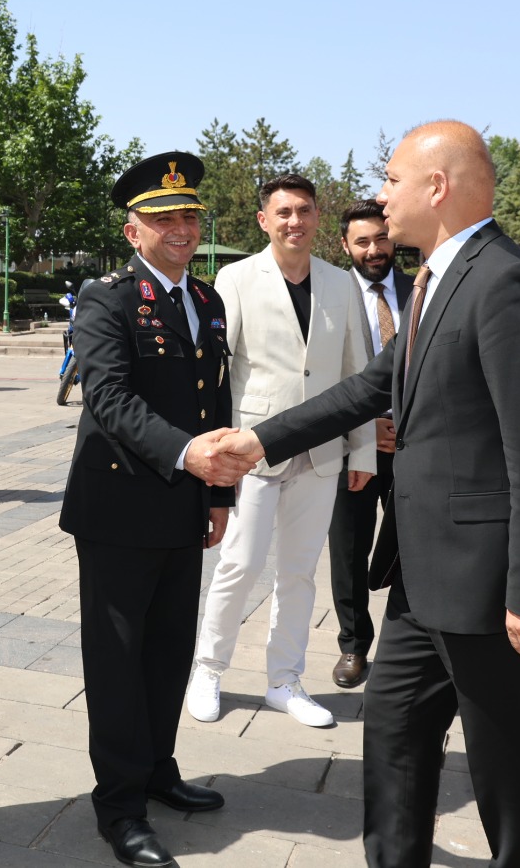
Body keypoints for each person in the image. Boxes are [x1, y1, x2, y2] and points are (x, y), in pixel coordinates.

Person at [215, 121, 520, 868]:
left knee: (508, 776)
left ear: (437, 187)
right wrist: (260, 440)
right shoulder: (436, 279)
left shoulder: (507, 282)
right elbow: (373, 387)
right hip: (418, 583)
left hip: (491, 592)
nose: (382, 198)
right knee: (391, 744)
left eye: (391, 180)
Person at [61, 150, 249, 868]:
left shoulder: (205, 301)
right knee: (117, 660)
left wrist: (219, 491)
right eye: (164, 218)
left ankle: (158, 768)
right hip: (118, 507)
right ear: (132, 229)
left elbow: (217, 402)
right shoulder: (106, 297)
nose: (182, 227)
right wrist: (188, 457)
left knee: (169, 651)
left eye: (190, 215)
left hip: (183, 502)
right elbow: (107, 399)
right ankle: (120, 805)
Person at [186, 173, 376, 729]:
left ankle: (283, 680)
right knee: (238, 565)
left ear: (319, 217)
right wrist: (220, 452)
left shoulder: (341, 284)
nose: (296, 221)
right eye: (284, 212)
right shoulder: (237, 278)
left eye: (306, 210)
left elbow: (356, 373)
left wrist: (362, 451)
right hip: (254, 449)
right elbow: (218, 372)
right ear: (265, 220)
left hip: (321, 452)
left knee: (299, 572)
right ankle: (208, 668)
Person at [327, 199, 414, 689]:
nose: (374, 249)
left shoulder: (425, 287)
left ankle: (410, 644)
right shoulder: (331, 296)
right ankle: (353, 645)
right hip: (352, 445)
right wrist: (361, 430)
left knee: (414, 547)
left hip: (414, 444)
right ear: (345, 246)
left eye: (381, 238)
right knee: (349, 549)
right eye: (362, 241)